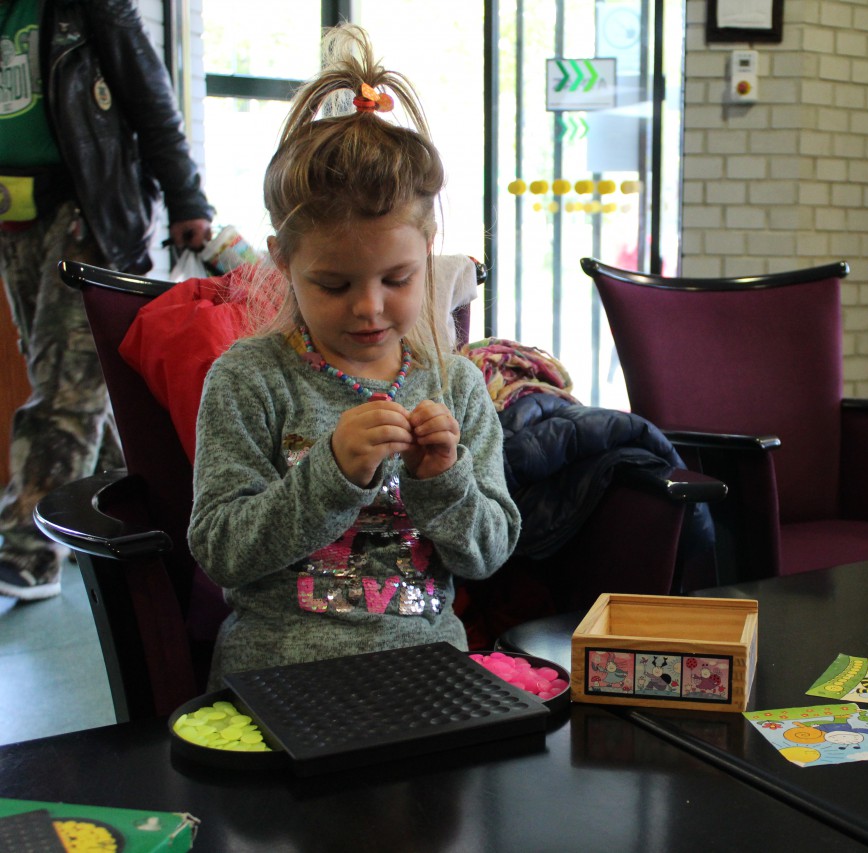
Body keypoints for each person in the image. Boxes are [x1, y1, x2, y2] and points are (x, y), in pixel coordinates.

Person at [187, 24, 519, 685]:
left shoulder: (455, 385)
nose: (369, 307)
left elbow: (486, 554)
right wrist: (331, 471)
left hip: (429, 676)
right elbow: (221, 549)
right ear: (283, 262)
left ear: (428, 256)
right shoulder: (250, 379)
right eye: (334, 285)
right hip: (282, 678)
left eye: (397, 279)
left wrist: (443, 478)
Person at [0, 0, 213, 599]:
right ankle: (131, 517)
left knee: (66, 389)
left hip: (90, 211)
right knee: (72, 381)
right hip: (18, 216)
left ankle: (28, 551)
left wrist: (187, 200)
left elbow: (152, 103)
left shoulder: (88, 6)